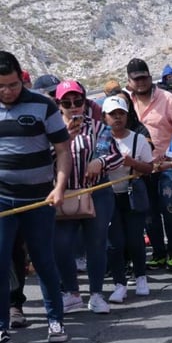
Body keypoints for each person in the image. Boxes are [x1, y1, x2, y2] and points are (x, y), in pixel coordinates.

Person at [0, 51, 72, 343]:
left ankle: (55, 321)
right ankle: (1, 325)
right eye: (1, 87)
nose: (7, 91)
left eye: (13, 85)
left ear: (22, 77)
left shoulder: (43, 105)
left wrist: (60, 187)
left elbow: (64, 151)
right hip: (2, 200)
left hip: (40, 200)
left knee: (43, 261)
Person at [52, 79, 123, 315]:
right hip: (65, 193)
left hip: (96, 192)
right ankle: (71, 292)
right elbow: (41, 157)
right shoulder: (52, 129)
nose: (73, 106)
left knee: (96, 243)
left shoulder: (97, 127)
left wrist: (100, 161)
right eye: (67, 102)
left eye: (78, 101)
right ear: (59, 104)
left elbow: (116, 155)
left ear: (84, 102)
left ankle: (96, 294)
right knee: (61, 245)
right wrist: (64, 141)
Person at [126, 58, 172, 272]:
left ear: (150, 77)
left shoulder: (167, 98)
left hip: (166, 165)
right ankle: (158, 253)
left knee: (169, 208)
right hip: (140, 168)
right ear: (129, 81)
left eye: (144, 77)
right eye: (136, 79)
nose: (141, 82)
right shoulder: (126, 102)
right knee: (148, 213)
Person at [102, 95, 154, 304]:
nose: (117, 118)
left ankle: (140, 277)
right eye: (113, 115)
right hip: (108, 196)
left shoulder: (137, 139)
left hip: (131, 195)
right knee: (114, 243)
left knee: (134, 239)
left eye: (121, 114)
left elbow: (149, 168)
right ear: (105, 117)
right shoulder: (100, 140)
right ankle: (119, 283)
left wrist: (132, 162)